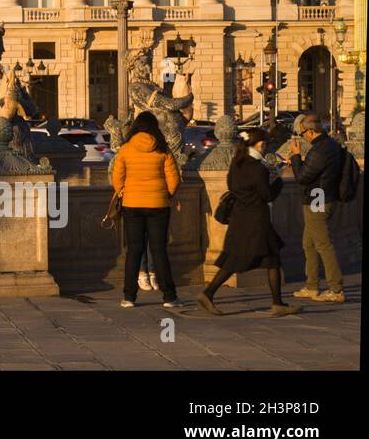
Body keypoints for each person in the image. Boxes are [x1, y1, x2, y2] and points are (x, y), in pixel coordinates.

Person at [198, 129, 301, 317]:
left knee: (266, 259)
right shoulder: (257, 168)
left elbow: (237, 187)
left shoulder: (237, 164)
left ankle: (277, 303)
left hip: (240, 218)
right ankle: (208, 293)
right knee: (242, 260)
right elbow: (268, 195)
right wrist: (281, 178)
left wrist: (272, 175)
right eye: (265, 143)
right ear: (260, 144)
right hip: (256, 221)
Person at [110, 111, 182, 308]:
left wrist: (123, 191)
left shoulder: (126, 149)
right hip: (158, 205)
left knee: (134, 251)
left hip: (132, 205)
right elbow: (174, 180)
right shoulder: (162, 149)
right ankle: (169, 297)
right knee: (159, 250)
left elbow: (117, 178)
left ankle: (129, 297)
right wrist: (166, 194)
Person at [287, 114, 346, 304]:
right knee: (309, 243)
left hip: (317, 198)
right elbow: (316, 172)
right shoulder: (329, 145)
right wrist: (301, 160)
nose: (302, 137)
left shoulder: (320, 150)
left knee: (322, 243)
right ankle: (312, 286)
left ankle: (336, 289)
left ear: (310, 131)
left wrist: (296, 157)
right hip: (321, 196)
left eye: (302, 133)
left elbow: (303, 177)